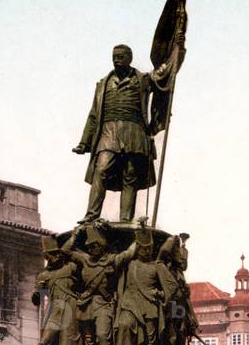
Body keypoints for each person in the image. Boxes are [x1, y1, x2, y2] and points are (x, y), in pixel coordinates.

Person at [72, 42, 183, 224]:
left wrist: (178, 48)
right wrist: (84, 142)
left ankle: (125, 219)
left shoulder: (143, 79)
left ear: (129, 59)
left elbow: (165, 75)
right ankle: (91, 215)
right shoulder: (102, 84)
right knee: (101, 170)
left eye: (120, 57)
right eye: (114, 57)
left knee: (130, 175)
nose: (116, 60)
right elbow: (93, 114)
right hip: (108, 132)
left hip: (134, 132)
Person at [32, 236, 82, 345]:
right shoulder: (44, 275)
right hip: (54, 310)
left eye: (57, 253)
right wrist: (37, 292)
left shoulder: (71, 268)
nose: (55, 257)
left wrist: (70, 247)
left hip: (70, 308)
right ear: (47, 256)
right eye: (51, 254)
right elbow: (37, 300)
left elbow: (85, 268)